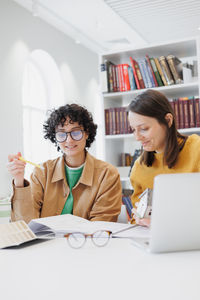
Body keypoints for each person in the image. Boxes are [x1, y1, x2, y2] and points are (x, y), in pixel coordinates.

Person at [7, 104, 122, 223]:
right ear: (54, 137)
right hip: (47, 241)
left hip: (86, 241)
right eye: (61, 134)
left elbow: (100, 226)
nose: (69, 140)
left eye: (76, 132)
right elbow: (25, 223)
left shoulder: (107, 174)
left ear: (87, 133)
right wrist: (19, 180)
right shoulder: (42, 172)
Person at [128, 89, 200, 226]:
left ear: (167, 121)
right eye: (133, 129)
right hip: (153, 240)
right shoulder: (139, 168)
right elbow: (135, 220)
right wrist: (139, 220)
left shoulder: (196, 149)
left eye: (144, 128)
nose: (137, 137)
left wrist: (164, 223)